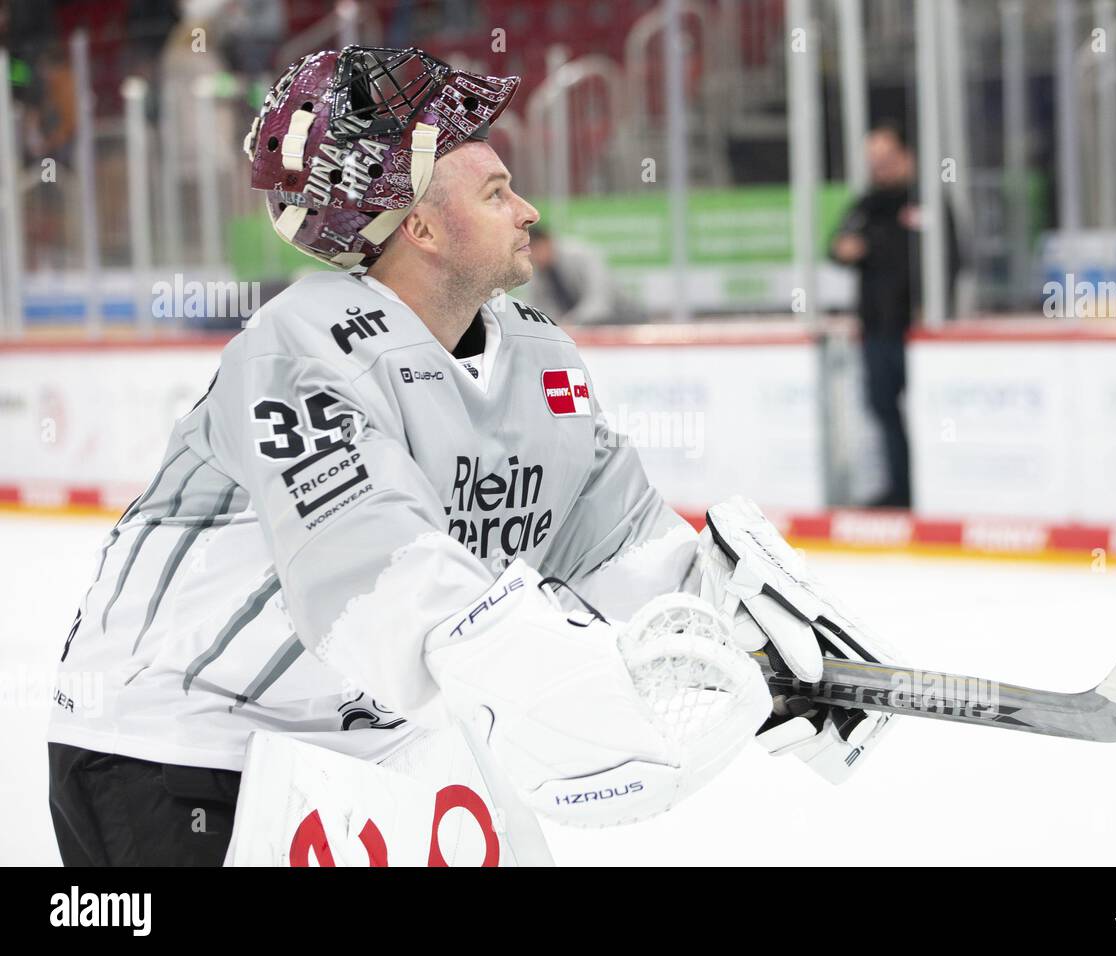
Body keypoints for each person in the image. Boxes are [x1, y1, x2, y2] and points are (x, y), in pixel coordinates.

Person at [47, 46, 898, 866]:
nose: (528, 211)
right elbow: (384, 584)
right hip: (173, 753)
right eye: (496, 192)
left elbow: (615, 545)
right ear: (418, 224)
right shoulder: (299, 352)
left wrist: (751, 641)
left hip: (369, 760)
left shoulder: (538, 354)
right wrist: (577, 696)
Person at [831, 121, 958, 509]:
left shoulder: (926, 203)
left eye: (887, 159)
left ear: (907, 157)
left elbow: (953, 258)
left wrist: (934, 309)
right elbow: (836, 246)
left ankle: (934, 492)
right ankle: (901, 491)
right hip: (877, 329)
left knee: (929, 414)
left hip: (918, 330)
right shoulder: (867, 204)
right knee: (885, 410)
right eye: (874, 161)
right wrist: (851, 249)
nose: (880, 168)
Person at [515, 225, 646, 325]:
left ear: (547, 241)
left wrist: (570, 322)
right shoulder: (538, 270)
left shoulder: (582, 255)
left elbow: (599, 301)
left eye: (535, 249)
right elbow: (538, 307)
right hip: (580, 327)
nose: (533, 256)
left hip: (620, 318)